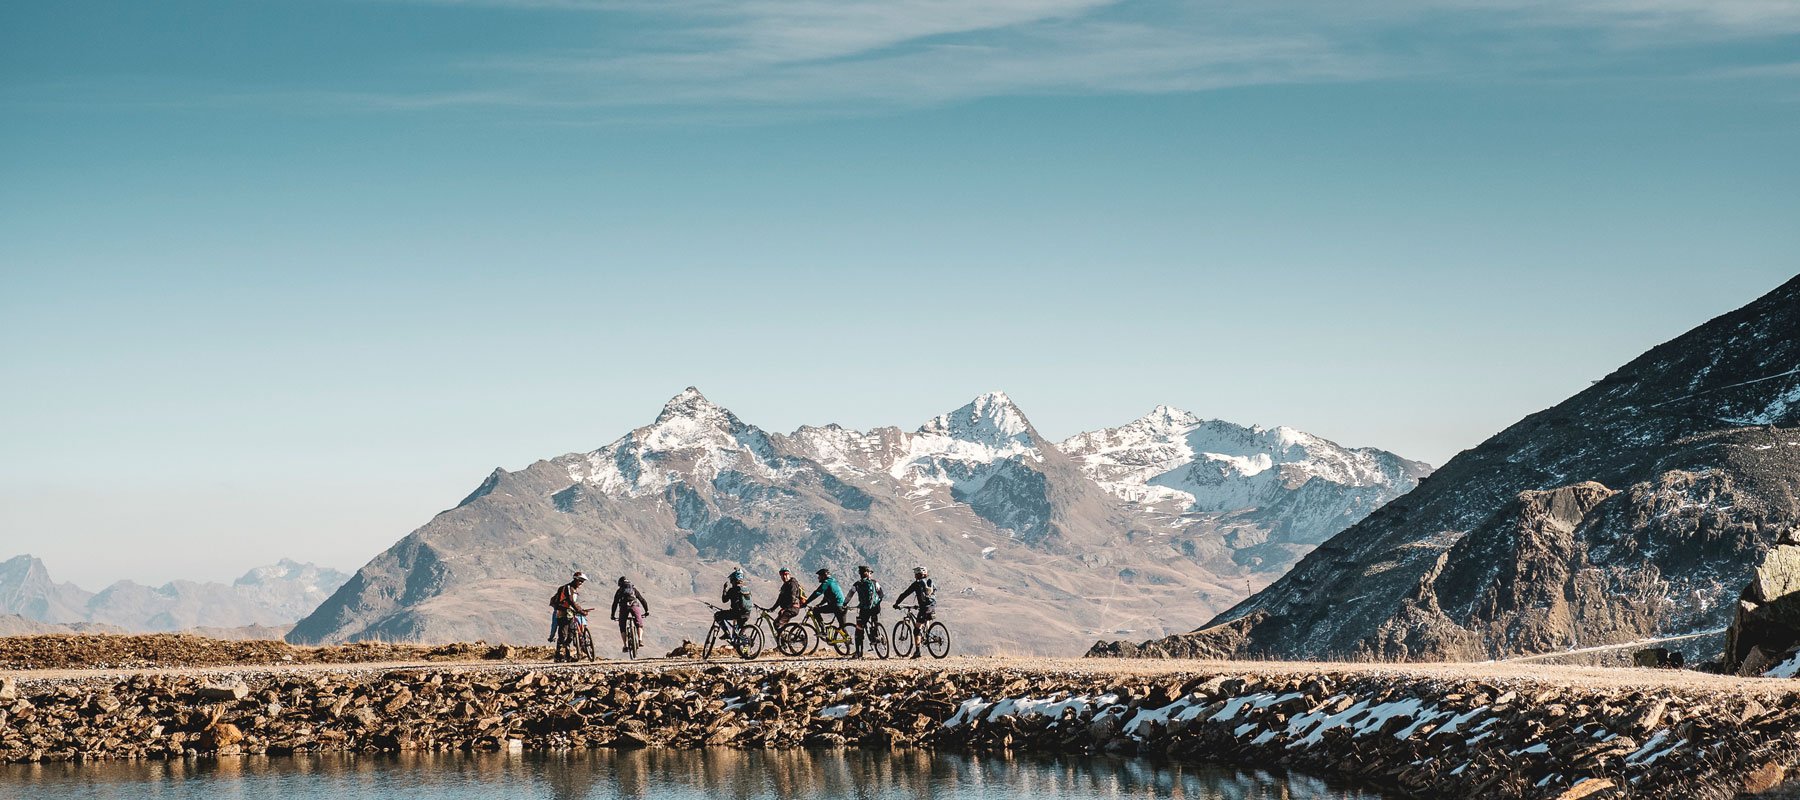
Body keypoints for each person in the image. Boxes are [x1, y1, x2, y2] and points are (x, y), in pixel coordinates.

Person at [894, 566, 935, 660]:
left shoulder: (917, 584)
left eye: (915, 574)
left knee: (916, 630)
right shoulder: (930, 582)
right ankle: (928, 635)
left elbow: (905, 593)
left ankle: (917, 651)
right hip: (932, 606)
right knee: (925, 620)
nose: (915, 576)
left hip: (924, 608)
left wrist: (897, 603)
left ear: (918, 575)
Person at [550, 571, 592, 662]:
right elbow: (570, 601)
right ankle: (558, 655)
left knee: (571, 635)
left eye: (582, 581)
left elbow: (573, 603)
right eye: (580, 581)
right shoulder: (569, 588)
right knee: (563, 634)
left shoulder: (574, 589)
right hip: (563, 613)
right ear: (575, 580)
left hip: (570, 613)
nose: (581, 583)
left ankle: (568, 656)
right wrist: (579, 610)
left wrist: (580, 609)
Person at [849, 565, 884, 657]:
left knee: (859, 630)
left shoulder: (857, 584)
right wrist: (876, 603)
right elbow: (881, 594)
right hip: (875, 608)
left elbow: (850, 595)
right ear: (868, 574)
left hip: (864, 609)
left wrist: (844, 604)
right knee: (874, 620)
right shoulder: (875, 582)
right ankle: (876, 633)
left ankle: (859, 652)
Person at [610, 577, 650, 652]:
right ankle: (640, 640)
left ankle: (625, 645)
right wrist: (646, 611)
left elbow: (615, 603)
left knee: (622, 625)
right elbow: (642, 600)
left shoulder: (619, 591)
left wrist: (612, 615)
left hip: (624, 607)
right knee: (639, 624)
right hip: (634, 605)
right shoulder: (634, 590)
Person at [715, 569, 752, 638]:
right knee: (739, 631)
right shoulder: (746, 589)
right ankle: (744, 644)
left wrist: (724, 589)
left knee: (718, 615)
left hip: (737, 614)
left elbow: (724, 600)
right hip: (747, 614)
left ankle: (726, 633)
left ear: (733, 580)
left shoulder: (732, 590)